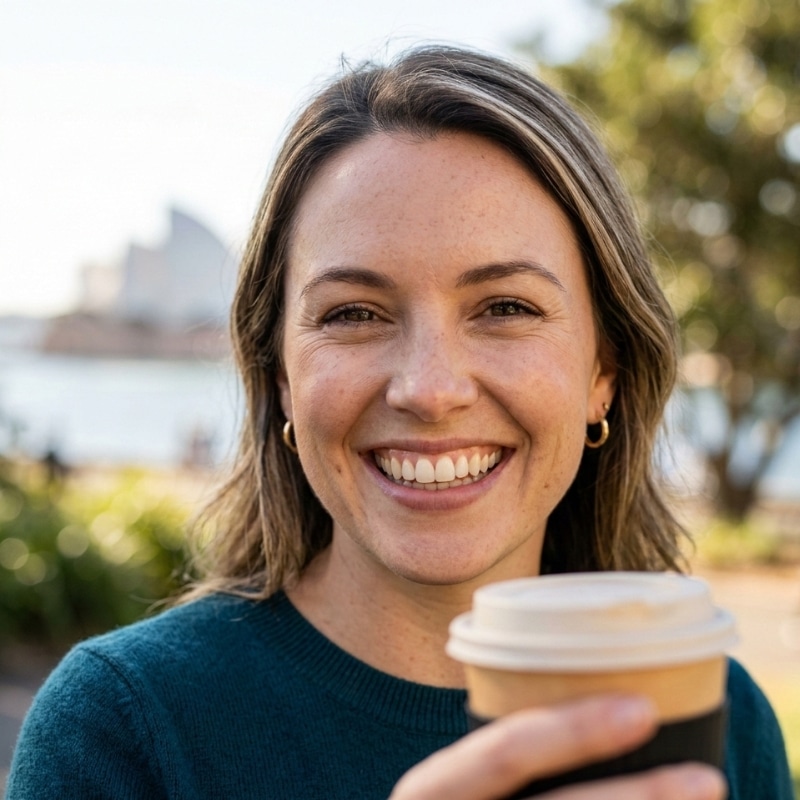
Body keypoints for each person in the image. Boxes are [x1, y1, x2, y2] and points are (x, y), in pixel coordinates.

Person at [7, 45, 793, 800]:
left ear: (604, 373)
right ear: (281, 378)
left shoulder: (717, 716)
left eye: (505, 307)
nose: (429, 389)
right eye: (353, 314)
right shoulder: (123, 730)